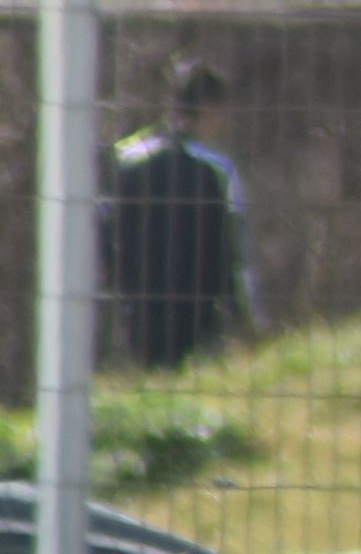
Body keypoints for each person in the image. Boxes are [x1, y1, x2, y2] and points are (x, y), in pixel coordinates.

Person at [99, 59, 252, 368]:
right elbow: (233, 246)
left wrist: (116, 282)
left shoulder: (126, 156)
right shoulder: (217, 167)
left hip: (137, 301)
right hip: (198, 307)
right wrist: (241, 312)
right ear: (210, 109)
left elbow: (104, 227)